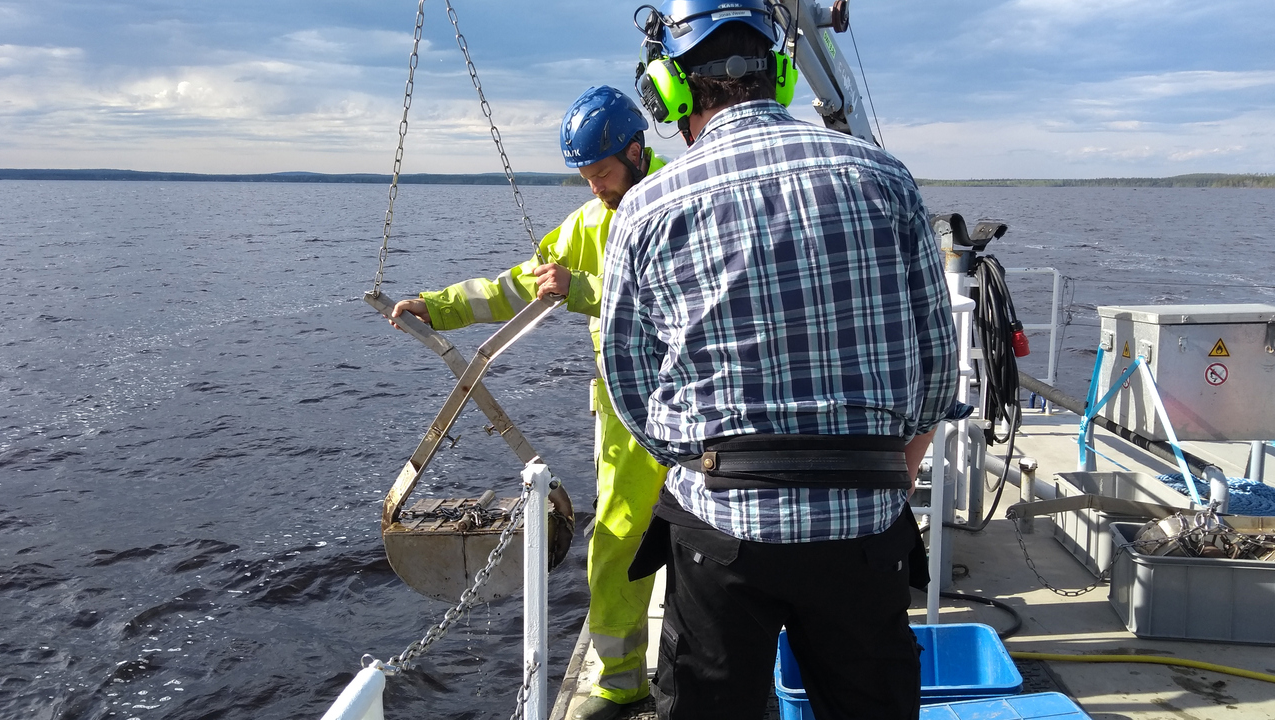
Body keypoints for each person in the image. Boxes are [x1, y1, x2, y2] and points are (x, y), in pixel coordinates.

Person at [598, 2, 960, 719]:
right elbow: (939, 368)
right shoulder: (887, 178)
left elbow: (631, 387)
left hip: (722, 533)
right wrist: (886, 462)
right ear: (785, 73)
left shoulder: (646, 209)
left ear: (670, 91)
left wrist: (702, 455)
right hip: (864, 528)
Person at [389, 86, 669, 720]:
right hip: (630, 415)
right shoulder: (584, 227)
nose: (595, 188)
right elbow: (518, 286)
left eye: (601, 173)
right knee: (619, 542)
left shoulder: (682, 203)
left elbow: (683, 293)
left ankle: (717, 673)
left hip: (703, 406)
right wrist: (438, 307)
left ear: (635, 152)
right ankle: (624, 683)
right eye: (586, 178)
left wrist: (586, 287)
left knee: (715, 544)